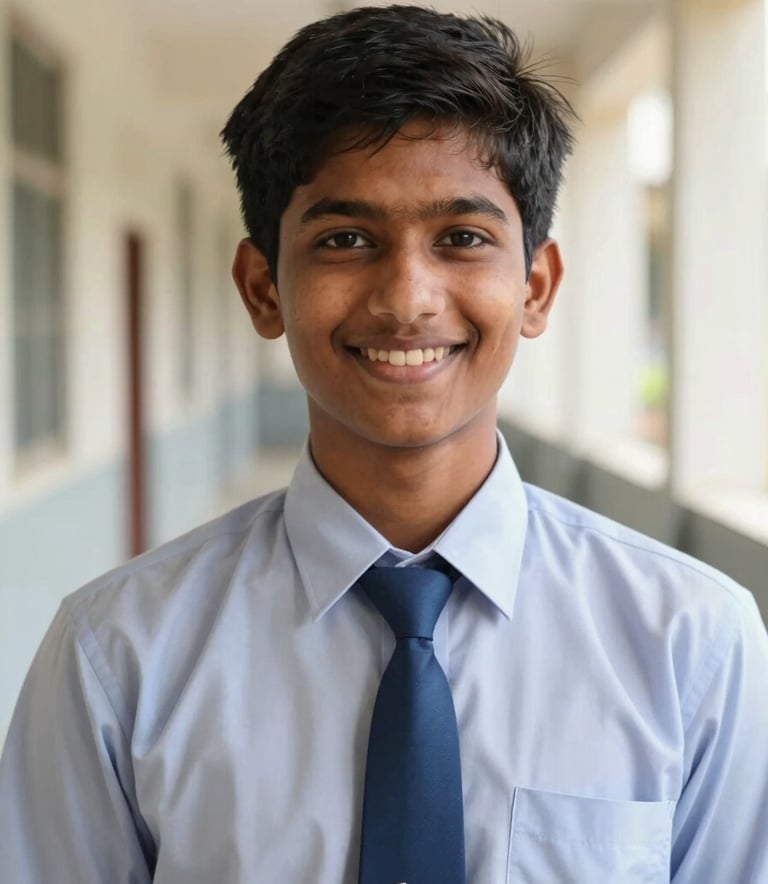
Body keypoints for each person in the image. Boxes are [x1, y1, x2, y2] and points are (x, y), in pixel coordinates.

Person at [1, 5, 767, 882]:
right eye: (346, 239)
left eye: (463, 239)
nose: (408, 298)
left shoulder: (691, 645)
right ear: (262, 289)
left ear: (537, 288)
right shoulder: (120, 656)